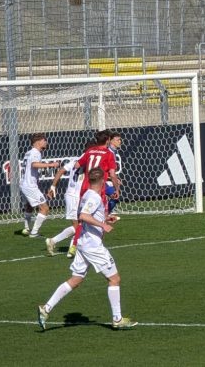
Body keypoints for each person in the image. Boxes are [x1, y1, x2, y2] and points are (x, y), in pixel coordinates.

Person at [37, 168, 136, 330]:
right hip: (92, 246)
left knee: (76, 280)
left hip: (83, 243)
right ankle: (117, 319)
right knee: (114, 279)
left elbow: (87, 214)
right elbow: (83, 216)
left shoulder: (87, 195)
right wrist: (103, 224)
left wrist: (104, 218)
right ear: (103, 181)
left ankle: (46, 308)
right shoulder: (94, 197)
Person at [45, 138, 96, 258]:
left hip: (72, 195)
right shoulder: (87, 159)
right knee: (77, 225)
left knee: (81, 224)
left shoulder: (74, 160)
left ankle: (72, 246)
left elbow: (60, 171)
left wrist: (53, 186)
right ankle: (58, 243)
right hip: (75, 196)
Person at [20, 133, 58, 238]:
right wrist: (51, 164)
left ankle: (27, 229)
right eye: (44, 140)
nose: (46, 142)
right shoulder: (36, 153)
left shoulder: (28, 153)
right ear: (38, 142)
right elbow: (34, 164)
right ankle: (34, 232)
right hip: (29, 186)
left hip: (24, 184)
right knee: (45, 208)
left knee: (29, 207)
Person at [104, 131, 123, 216]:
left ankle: (104, 214)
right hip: (101, 181)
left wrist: (116, 178)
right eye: (117, 140)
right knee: (115, 195)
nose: (120, 141)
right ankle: (104, 215)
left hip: (106, 179)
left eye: (120, 140)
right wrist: (112, 179)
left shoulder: (113, 152)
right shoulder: (108, 153)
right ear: (111, 141)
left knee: (115, 196)